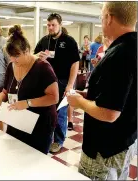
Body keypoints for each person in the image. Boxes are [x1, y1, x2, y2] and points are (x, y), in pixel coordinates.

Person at [67, 2, 137, 180]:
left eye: (101, 16)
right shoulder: (132, 46)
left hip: (104, 148)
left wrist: (79, 102)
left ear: (109, 18)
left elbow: (109, 113)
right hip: (125, 139)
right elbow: (123, 95)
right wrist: (88, 95)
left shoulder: (119, 54)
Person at [0, 25, 59, 154]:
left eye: (16, 56)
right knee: (16, 155)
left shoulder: (43, 67)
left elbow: (53, 97)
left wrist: (27, 103)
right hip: (17, 120)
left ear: (27, 51)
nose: (12, 59)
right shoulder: (12, 66)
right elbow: (5, 92)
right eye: (10, 56)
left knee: (35, 161)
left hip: (40, 124)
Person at [34, 13, 80, 153]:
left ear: (60, 24)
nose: (50, 27)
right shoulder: (44, 41)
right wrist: (38, 57)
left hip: (63, 81)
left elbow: (75, 64)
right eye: (48, 25)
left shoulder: (69, 41)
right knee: (47, 111)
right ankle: (46, 135)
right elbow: (33, 56)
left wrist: (70, 85)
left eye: (53, 25)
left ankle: (58, 140)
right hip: (46, 83)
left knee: (60, 112)